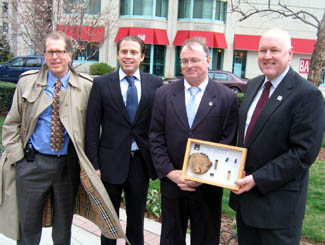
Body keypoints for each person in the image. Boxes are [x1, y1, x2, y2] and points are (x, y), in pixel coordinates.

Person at [0, 31, 126, 244]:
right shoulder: (27, 82)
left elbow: (97, 128)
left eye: (60, 51)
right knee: (28, 229)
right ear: (45, 55)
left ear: (69, 55)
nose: (55, 57)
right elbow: (12, 124)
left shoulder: (87, 86)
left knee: (63, 230)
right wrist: (18, 160)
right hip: (32, 164)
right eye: (50, 52)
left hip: (68, 167)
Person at [229, 28, 324, 245]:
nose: (267, 56)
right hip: (246, 203)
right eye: (262, 50)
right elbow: (246, 137)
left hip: (278, 209)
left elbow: (303, 154)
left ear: (290, 54)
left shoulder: (307, 95)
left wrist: (256, 179)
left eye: (275, 50)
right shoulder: (253, 85)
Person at [149, 37, 238, 245]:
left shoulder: (226, 98)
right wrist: (171, 173)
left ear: (208, 61)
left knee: (206, 239)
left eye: (195, 60)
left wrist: (203, 176)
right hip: (173, 185)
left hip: (207, 188)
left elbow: (228, 141)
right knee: (171, 239)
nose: (189, 66)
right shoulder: (164, 94)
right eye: (185, 61)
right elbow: (155, 137)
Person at [85, 35, 162, 245]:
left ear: (142, 56)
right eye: (124, 52)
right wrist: (94, 164)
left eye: (134, 52)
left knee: (137, 221)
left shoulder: (155, 84)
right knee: (108, 221)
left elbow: (159, 125)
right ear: (118, 54)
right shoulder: (101, 84)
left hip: (140, 163)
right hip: (108, 164)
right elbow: (92, 127)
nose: (128, 56)